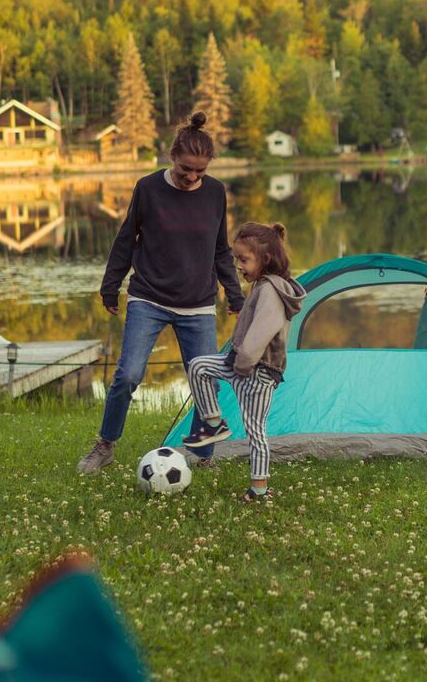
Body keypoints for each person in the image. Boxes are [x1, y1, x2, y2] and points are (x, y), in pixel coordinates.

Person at [76, 112, 244, 475]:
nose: (192, 177)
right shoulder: (148, 188)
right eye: (186, 169)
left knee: (205, 381)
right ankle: (105, 445)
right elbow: (126, 239)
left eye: (199, 171)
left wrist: (235, 293)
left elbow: (220, 249)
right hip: (148, 298)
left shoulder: (215, 193)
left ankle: (205, 456)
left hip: (198, 304)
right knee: (129, 375)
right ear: (173, 156)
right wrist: (111, 286)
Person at [181, 221, 303, 502]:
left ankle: (259, 490)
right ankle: (213, 423)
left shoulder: (272, 290)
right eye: (237, 259)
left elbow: (262, 332)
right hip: (240, 364)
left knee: (255, 430)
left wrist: (242, 364)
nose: (238, 265)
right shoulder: (262, 284)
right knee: (199, 366)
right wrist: (237, 362)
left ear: (266, 259)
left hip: (259, 372)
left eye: (244, 260)